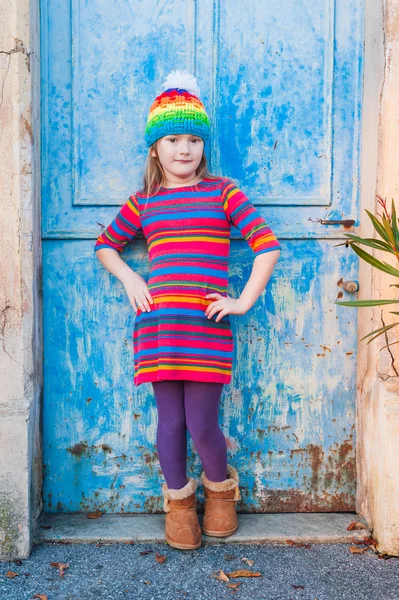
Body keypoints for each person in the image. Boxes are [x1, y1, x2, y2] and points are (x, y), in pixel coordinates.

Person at [94, 70, 282, 551]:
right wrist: (131, 277)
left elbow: (266, 245)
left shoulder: (222, 192)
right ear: (155, 148)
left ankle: (220, 495)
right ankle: (179, 505)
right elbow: (106, 246)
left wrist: (241, 301)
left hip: (205, 326)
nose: (184, 148)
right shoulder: (145, 203)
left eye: (194, 139)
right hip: (158, 328)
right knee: (170, 422)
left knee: (202, 423)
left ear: (203, 146)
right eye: (173, 139)